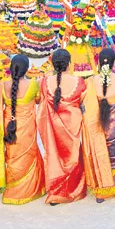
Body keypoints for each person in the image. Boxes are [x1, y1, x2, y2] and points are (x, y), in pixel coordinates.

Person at [0, 54, 46, 205]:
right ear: (26, 69)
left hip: (9, 126)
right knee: (28, 155)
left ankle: (12, 188)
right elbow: (39, 100)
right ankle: (28, 189)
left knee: (11, 156)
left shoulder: (2, 85)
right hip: (26, 127)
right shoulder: (33, 84)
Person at [37, 49, 87, 205]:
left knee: (54, 155)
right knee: (72, 156)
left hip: (53, 129)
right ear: (69, 63)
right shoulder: (79, 82)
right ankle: (74, 189)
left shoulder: (44, 82)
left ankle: (56, 191)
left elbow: (41, 102)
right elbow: (82, 103)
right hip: (71, 126)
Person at [81, 49, 115, 202]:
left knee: (101, 154)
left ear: (99, 63)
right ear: (114, 63)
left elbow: (86, 104)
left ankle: (103, 188)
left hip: (99, 125)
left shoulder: (92, 81)